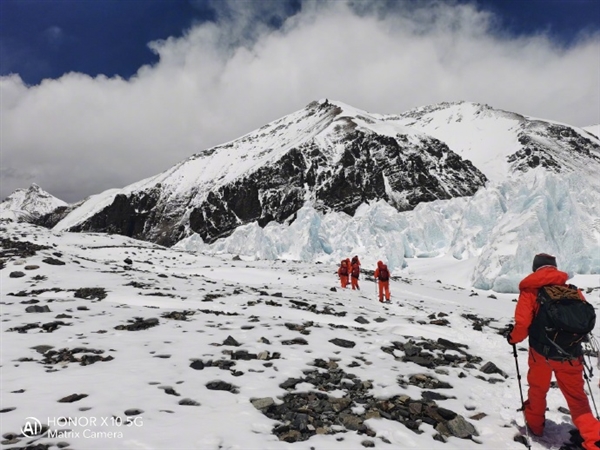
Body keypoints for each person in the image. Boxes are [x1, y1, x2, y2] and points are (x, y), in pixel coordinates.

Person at [506, 253, 600, 449]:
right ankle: (595, 440)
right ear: (555, 268)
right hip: (572, 354)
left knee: (538, 390)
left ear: (535, 268)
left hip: (541, 354)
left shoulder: (531, 290)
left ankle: (535, 426)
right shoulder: (572, 290)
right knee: (577, 399)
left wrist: (512, 338)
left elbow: (522, 324)